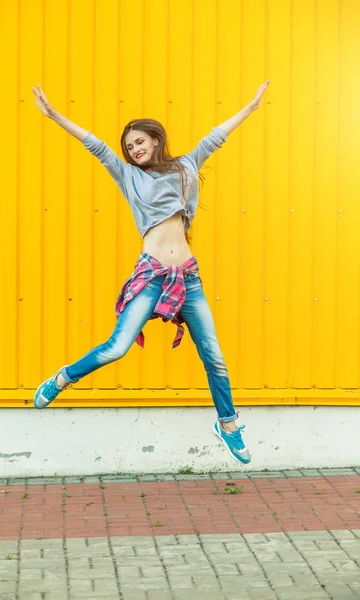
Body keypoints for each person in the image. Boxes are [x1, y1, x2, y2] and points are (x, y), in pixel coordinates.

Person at [32, 80, 270, 465]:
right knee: (117, 347)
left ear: (156, 140)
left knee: (215, 357)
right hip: (152, 274)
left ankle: (228, 424)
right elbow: (95, 145)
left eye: (140, 142)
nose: (134, 149)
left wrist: (251, 107)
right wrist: (56, 115)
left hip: (187, 278)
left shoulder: (186, 167)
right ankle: (62, 378)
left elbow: (216, 137)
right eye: (129, 146)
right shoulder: (129, 176)